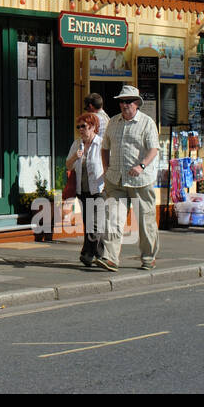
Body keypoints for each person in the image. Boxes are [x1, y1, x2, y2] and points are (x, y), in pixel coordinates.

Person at [95, 84, 160, 271]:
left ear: (137, 103)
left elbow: (153, 149)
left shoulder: (147, 122)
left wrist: (141, 166)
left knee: (145, 221)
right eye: (122, 101)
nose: (125, 105)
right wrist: (106, 168)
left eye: (129, 101)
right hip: (116, 179)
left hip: (140, 180)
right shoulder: (113, 122)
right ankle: (110, 258)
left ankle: (148, 258)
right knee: (113, 219)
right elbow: (105, 148)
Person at [65, 112, 105, 267]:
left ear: (93, 127)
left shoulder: (101, 144)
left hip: (99, 189)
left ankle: (91, 254)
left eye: (84, 126)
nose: (80, 129)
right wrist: (75, 157)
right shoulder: (77, 144)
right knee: (88, 223)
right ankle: (95, 255)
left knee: (95, 224)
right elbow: (68, 166)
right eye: (78, 127)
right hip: (82, 190)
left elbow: (108, 164)